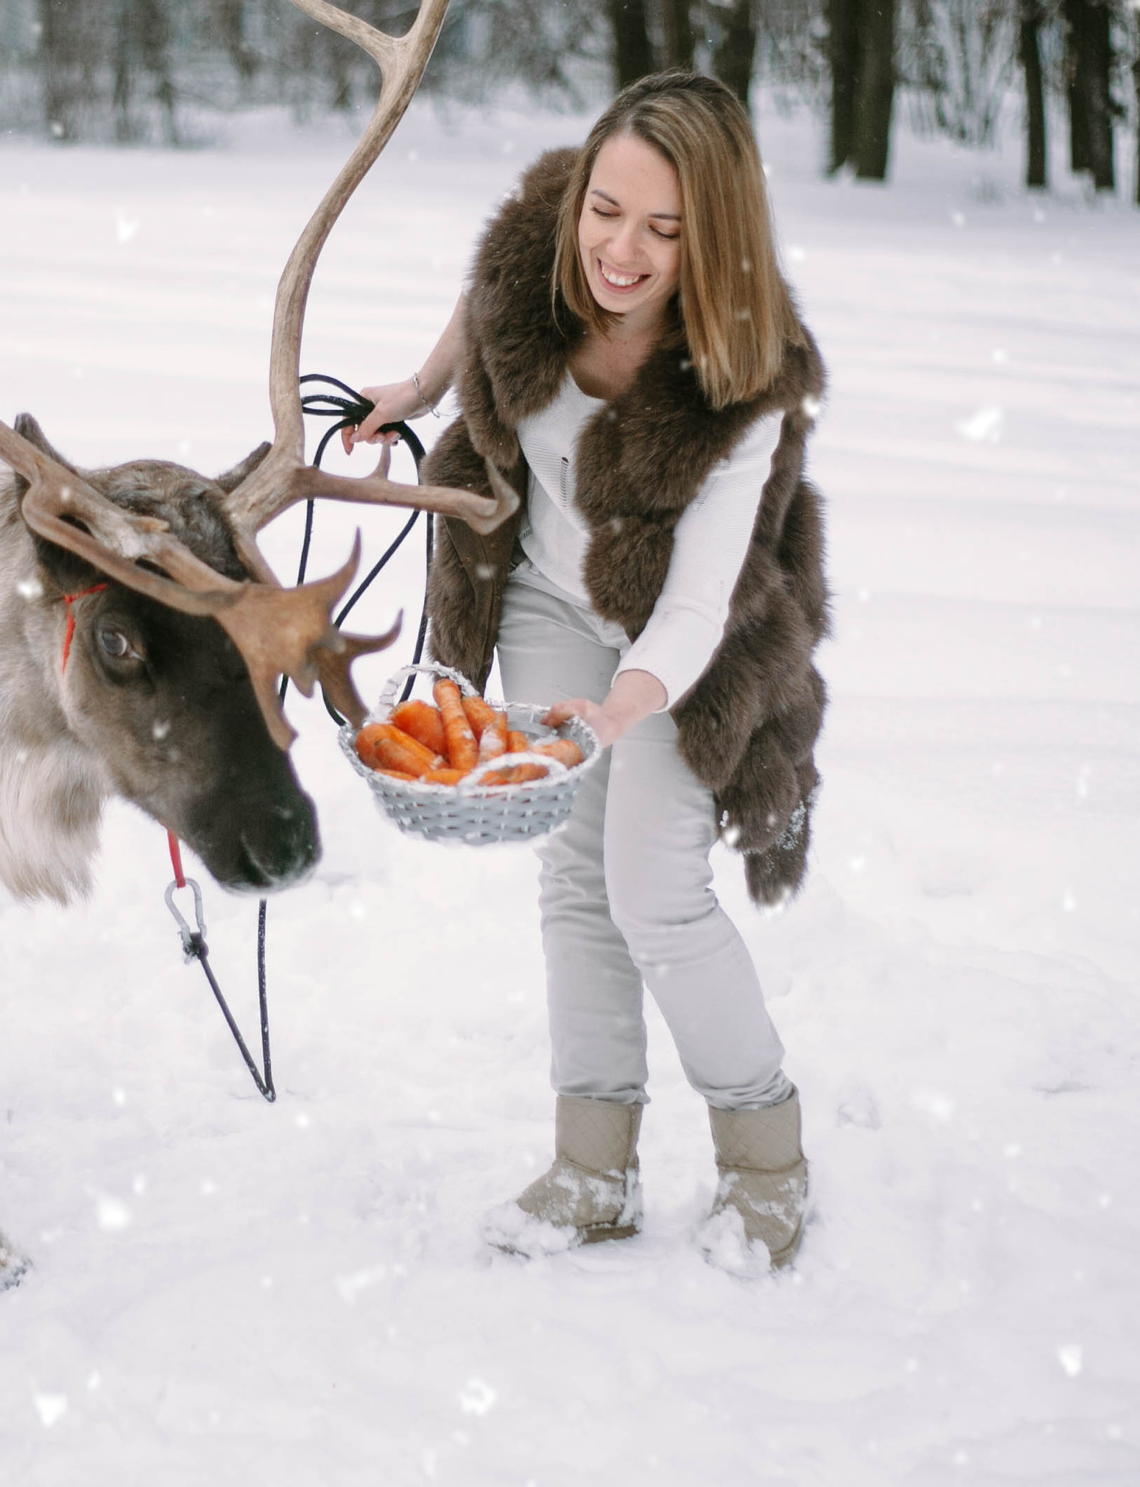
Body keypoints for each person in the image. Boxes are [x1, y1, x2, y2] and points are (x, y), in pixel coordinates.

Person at [343, 72, 830, 1269]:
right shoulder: (539, 247)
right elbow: (486, 306)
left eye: (664, 230)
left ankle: (767, 1162)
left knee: (653, 895)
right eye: (605, 210)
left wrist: (621, 705)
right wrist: (415, 386)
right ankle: (592, 1168)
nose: (621, 248)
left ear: (711, 238)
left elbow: (703, 597)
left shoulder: (743, 382)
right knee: (572, 879)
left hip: (684, 639)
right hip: (547, 591)